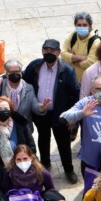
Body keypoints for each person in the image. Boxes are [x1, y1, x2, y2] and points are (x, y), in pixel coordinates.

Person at [23, 39, 80, 184]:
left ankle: (68, 169)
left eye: (52, 51)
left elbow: (75, 94)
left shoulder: (67, 70)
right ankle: (45, 164)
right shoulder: (35, 66)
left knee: (63, 143)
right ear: (42, 51)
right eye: (46, 50)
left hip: (59, 115)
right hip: (41, 113)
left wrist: (72, 118)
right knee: (43, 138)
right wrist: (4, 78)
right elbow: (22, 78)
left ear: (58, 52)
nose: (49, 53)